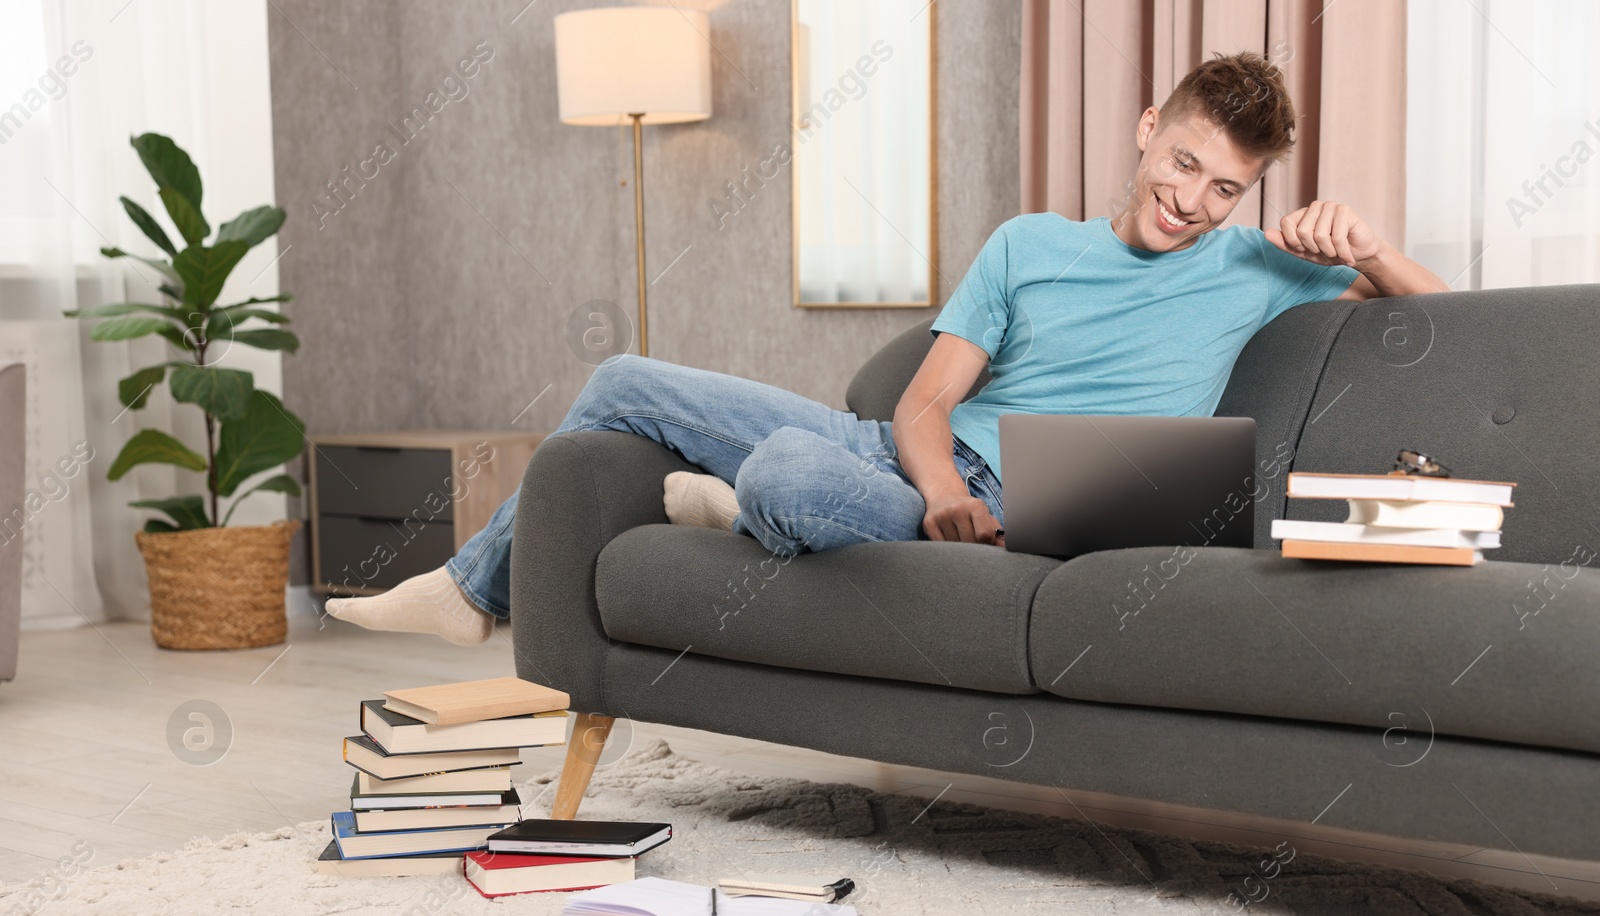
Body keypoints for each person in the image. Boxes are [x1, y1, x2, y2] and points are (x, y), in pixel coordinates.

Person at [326, 51, 1447, 645]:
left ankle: (749, 500)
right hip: (903, 458)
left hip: (1044, 500)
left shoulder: (1255, 265)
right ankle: (472, 590)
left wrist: (1372, 244)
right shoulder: (1028, 245)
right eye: (1184, 162)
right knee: (622, 376)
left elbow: (1444, 314)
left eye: (1225, 186)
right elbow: (921, 407)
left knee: (774, 474)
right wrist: (934, 495)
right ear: (1148, 129)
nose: (1193, 200)